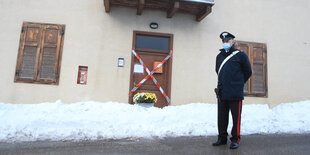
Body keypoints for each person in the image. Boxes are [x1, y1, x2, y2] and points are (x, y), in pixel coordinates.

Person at [213, 32, 252, 149]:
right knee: (222, 117)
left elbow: (248, 72)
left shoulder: (240, 55)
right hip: (222, 92)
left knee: (236, 118)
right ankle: (222, 138)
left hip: (235, 92)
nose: (225, 43)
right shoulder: (219, 57)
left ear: (233, 42)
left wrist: (238, 83)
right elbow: (218, 71)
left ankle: (235, 139)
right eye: (223, 41)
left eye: (227, 41)